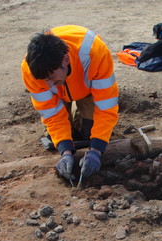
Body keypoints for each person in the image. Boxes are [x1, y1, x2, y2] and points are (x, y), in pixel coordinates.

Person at [21, 25, 119, 183]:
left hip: (86, 88)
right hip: (58, 97)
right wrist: (65, 151)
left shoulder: (95, 53)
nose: (50, 83)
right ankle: (70, 112)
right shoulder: (32, 72)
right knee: (59, 138)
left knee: (89, 133)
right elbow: (50, 113)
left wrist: (96, 150)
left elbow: (106, 107)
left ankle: (78, 110)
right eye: (45, 80)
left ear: (65, 60)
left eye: (52, 76)